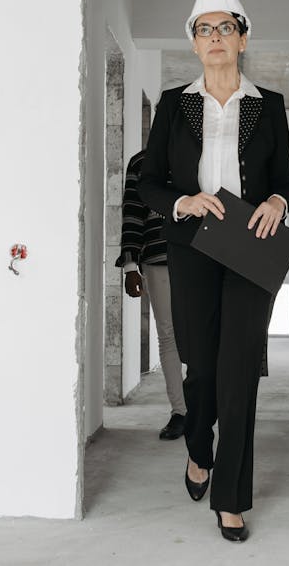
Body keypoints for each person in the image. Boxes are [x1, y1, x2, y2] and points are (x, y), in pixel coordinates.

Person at [138, 0, 289, 543]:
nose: (214, 39)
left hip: (250, 243)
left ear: (243, 37)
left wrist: (278, 202)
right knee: (201, 364)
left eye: (224, 28)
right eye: (203, 30)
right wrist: (182, 202)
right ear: (193, 42)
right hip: (193, 244)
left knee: (237, 376)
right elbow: (149, 182)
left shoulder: (268, 104)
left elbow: (285, 182)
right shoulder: (174, 103)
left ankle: (230, 498)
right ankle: (199, 451)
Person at [116, 146, 186, 441]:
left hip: (201, 254)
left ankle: (204, 407)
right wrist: (130, 265)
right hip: (157, 257)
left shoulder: (200, 153)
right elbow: (132, 211)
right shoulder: (141, 161)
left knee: (203, 334)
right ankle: (181, 412)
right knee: (168, 334)